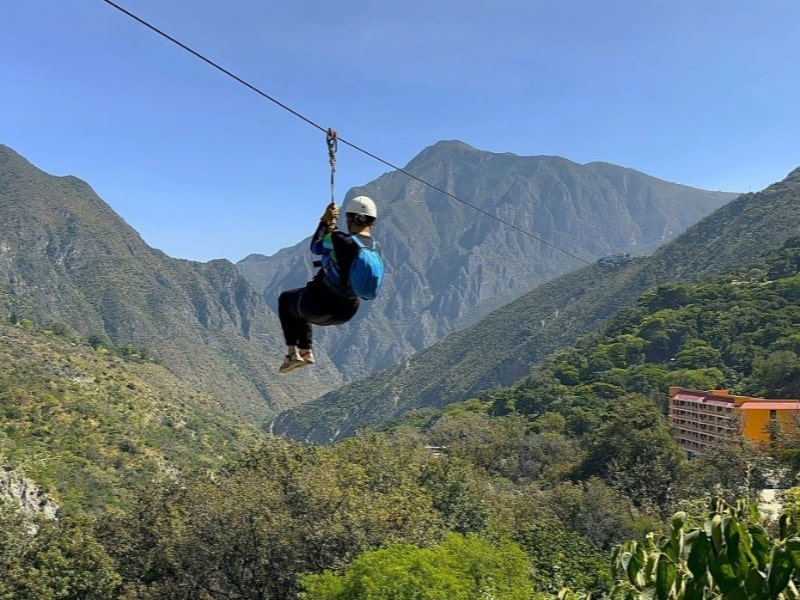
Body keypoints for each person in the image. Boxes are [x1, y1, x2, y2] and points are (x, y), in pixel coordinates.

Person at [277, 195, 382, 373]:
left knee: (287, 299)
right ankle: (307, 353)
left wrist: (325, 222)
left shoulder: (339, 239)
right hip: (348, 310)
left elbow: (316, 247)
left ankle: (293, 354)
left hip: (320, 306)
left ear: (351, 219)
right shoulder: (375, 247)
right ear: (372, 222)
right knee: (302, 299)